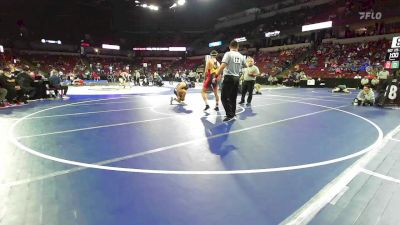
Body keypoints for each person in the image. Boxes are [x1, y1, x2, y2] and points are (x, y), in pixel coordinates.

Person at [216, 40, 247, 122]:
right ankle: (233, 113)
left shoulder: (228, 54)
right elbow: (246, 65)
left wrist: (216, 75)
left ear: (230, 47)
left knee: (224, 98)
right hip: (237, 78)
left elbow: (223, 65)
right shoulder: (241, 56)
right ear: (238, 47)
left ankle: (230, 115)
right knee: (233, 97)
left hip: (229, 77)